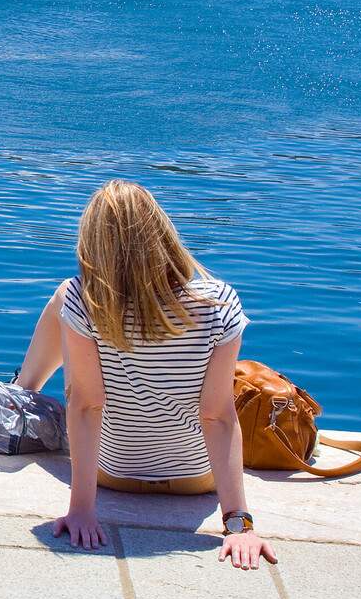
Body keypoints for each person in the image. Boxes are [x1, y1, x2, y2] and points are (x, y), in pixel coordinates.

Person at [15, 180, 275, 570]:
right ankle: (22, 391)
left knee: (63, 300)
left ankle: (21, 393)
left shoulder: (82, 298)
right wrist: (238, 524)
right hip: (195, 479)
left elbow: (86, 404)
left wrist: (83, 511)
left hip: (113, 472)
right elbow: (217, 415)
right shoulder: (220, 301)